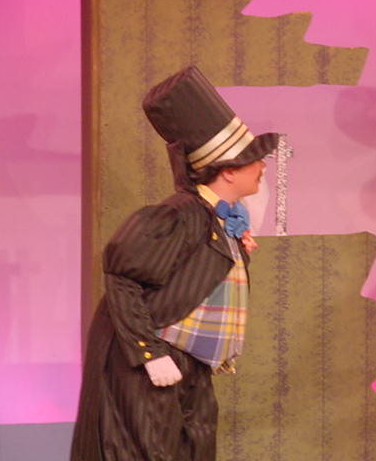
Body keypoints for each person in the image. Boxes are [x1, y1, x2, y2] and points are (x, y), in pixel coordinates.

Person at [71, 66, 278, 461]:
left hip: (192, 361)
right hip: (155, 355)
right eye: (254, 161)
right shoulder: (178, 215)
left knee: (195, 445)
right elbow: (123, 278)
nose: (263, 167)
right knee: (149, 449)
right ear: (228, 171)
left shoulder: (218, 218)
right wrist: (149, 352)